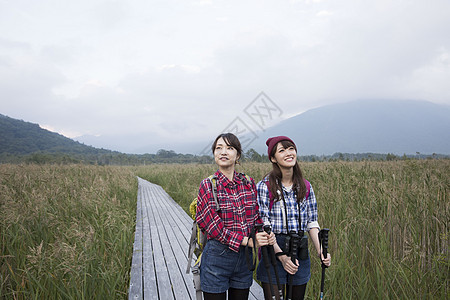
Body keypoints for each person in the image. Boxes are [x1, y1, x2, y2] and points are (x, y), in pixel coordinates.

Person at [196, 133, 270, 300]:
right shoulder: (208, 185)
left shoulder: (248, 182)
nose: (223, 152)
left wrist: (262, 234)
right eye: (219, 148)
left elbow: (255, 216)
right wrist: (248, 241)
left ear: (237, 155)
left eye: (229, 148)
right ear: (214, 154)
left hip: (244, 259)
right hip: (217, 258)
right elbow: (215, 229)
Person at [256, 136, 331, 300]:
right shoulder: (265, 186)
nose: (288, 153)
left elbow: (312, 223)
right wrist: (281, 256)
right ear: (273, 158)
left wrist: (320, 251)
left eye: (291, 149)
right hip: (273, 247)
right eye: (282, 150)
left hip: (299, 247)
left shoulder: (305, 186)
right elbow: (264, 224)